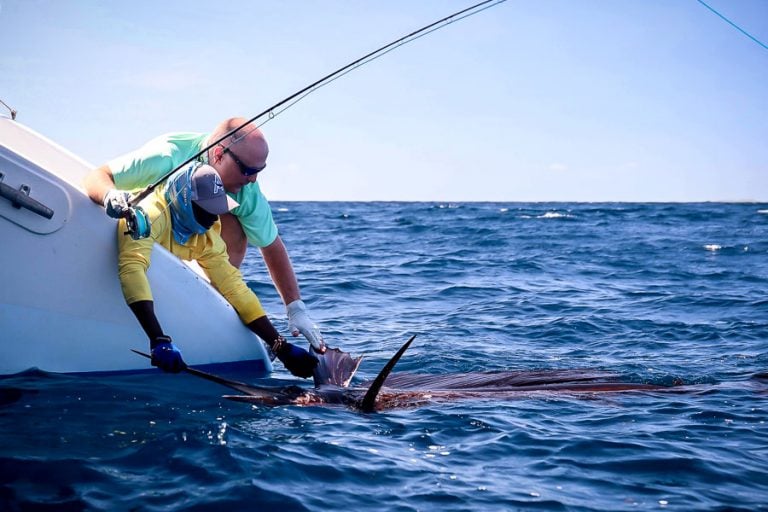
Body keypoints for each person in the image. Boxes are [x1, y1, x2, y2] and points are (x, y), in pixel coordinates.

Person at [83, 117, 325, 354]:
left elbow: (256, 260)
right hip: (143, 233)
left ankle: (213, 302)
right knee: (138, 254)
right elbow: (98, 178)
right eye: (248, 170)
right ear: (219, 154)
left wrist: (285, 331)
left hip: (188, 235)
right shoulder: (166, 159)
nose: (253, 179)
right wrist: (158, 340)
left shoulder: (217, 226)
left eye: (259, 170)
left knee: (232, 241)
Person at [116, 162, 318, 376]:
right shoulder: (147, 216)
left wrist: (280, 346)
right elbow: (132, 268)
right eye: (209, 209)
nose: (215, 218)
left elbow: (234, 287)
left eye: (219, 209)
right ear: (186, 202)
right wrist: (157, 339)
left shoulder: (208, 234)